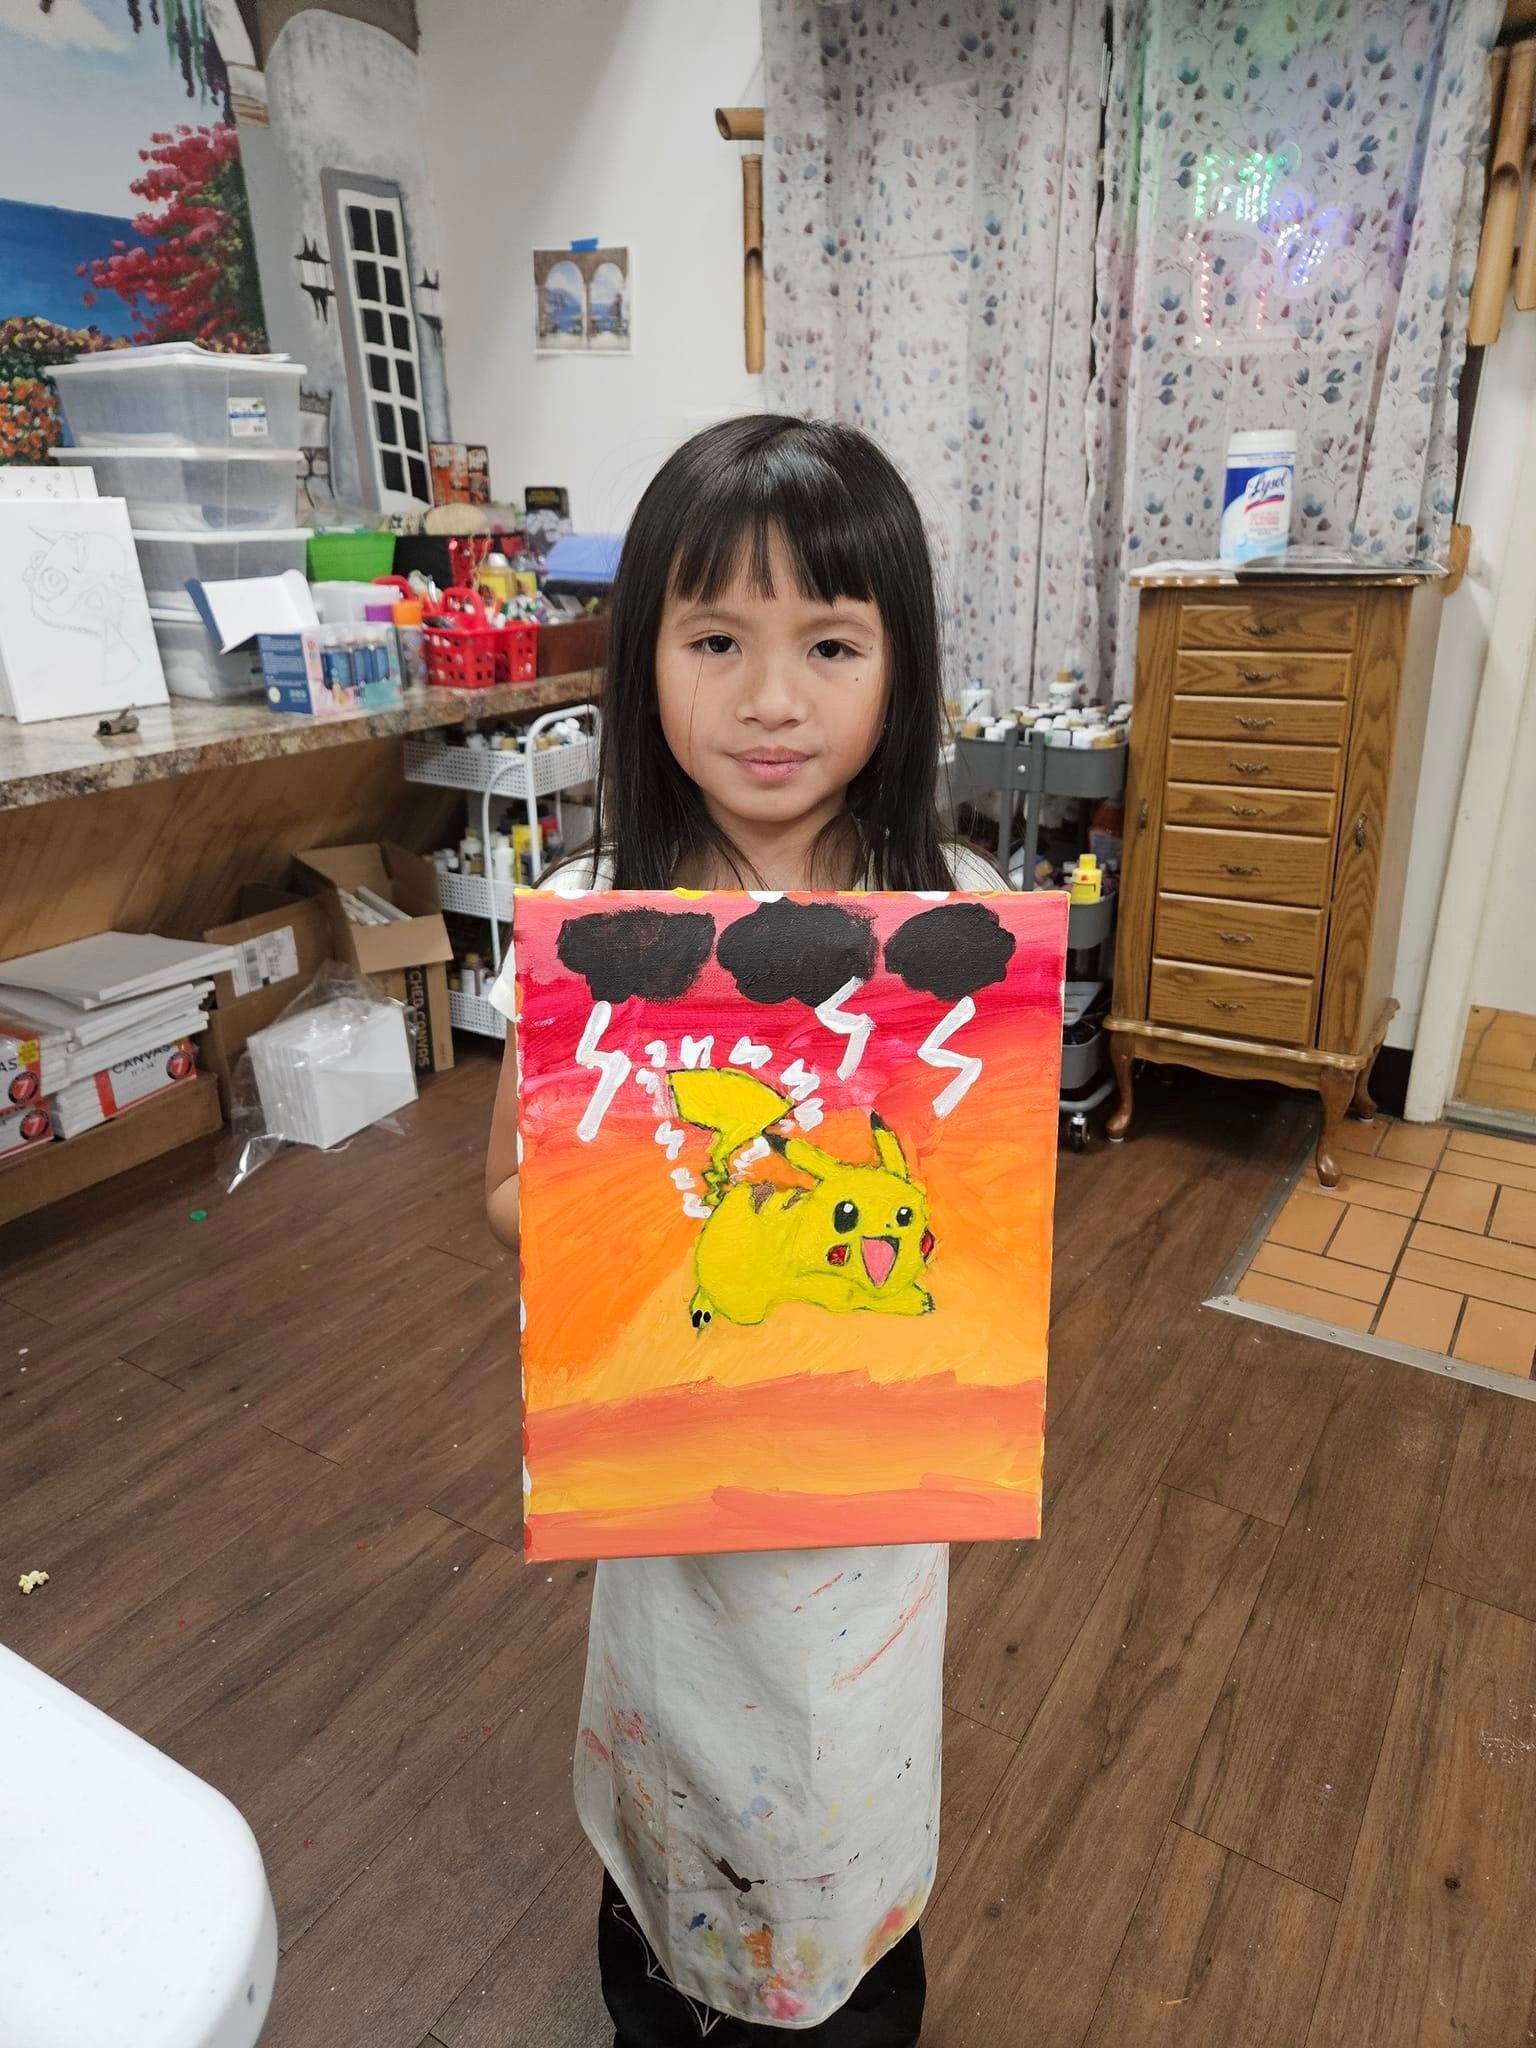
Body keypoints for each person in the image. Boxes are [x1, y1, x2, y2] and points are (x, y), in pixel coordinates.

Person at [484, 415, 1004, 2044]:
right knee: (680, 1800)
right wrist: (613, 1203)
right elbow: (504, 1184)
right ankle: (661, 1973)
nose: (771, 698)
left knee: (846, 1816)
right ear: (647, 659)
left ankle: (856, 1986)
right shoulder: (597, 917)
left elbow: (984, 1231)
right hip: (671, 1485)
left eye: (828, 643)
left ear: (896, 667)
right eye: (716, 640)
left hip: (864, 1517)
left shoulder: (961, 918)